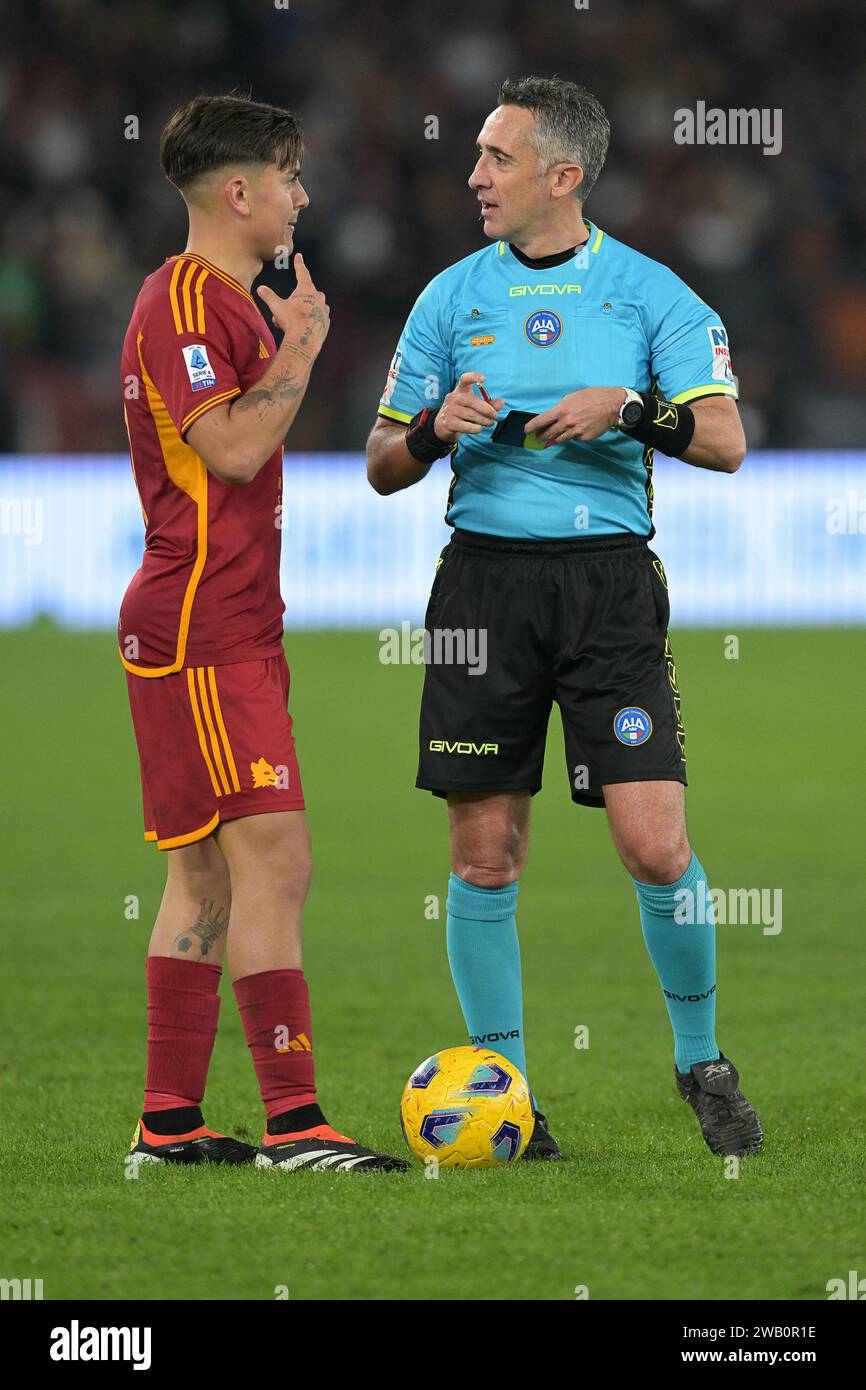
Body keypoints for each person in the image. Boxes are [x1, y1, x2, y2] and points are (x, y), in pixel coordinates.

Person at [367, 76, 761, 1159]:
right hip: (480, 588)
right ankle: (511, 1095)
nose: (473, 175)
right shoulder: (449, 297)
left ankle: (700, 1060)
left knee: (652, 844)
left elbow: (725, 439)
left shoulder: (651, 295)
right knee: (483, 856)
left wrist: (628, 410)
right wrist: (437, 430)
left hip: (606, 591)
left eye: (495, 157)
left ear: (562, 175)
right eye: (478, 156)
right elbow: (379, 464)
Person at [120, 94, 406, 1172]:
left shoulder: (213, 300)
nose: (301, 195)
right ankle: (295, 1123)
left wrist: (283, 337)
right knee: (275, 861)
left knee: (207, 878)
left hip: (215, 619)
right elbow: (232, 450)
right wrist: (306, 341)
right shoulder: (187, 301)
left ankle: (169, 1122)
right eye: (289, 175)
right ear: (238, 192)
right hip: (203, 626)